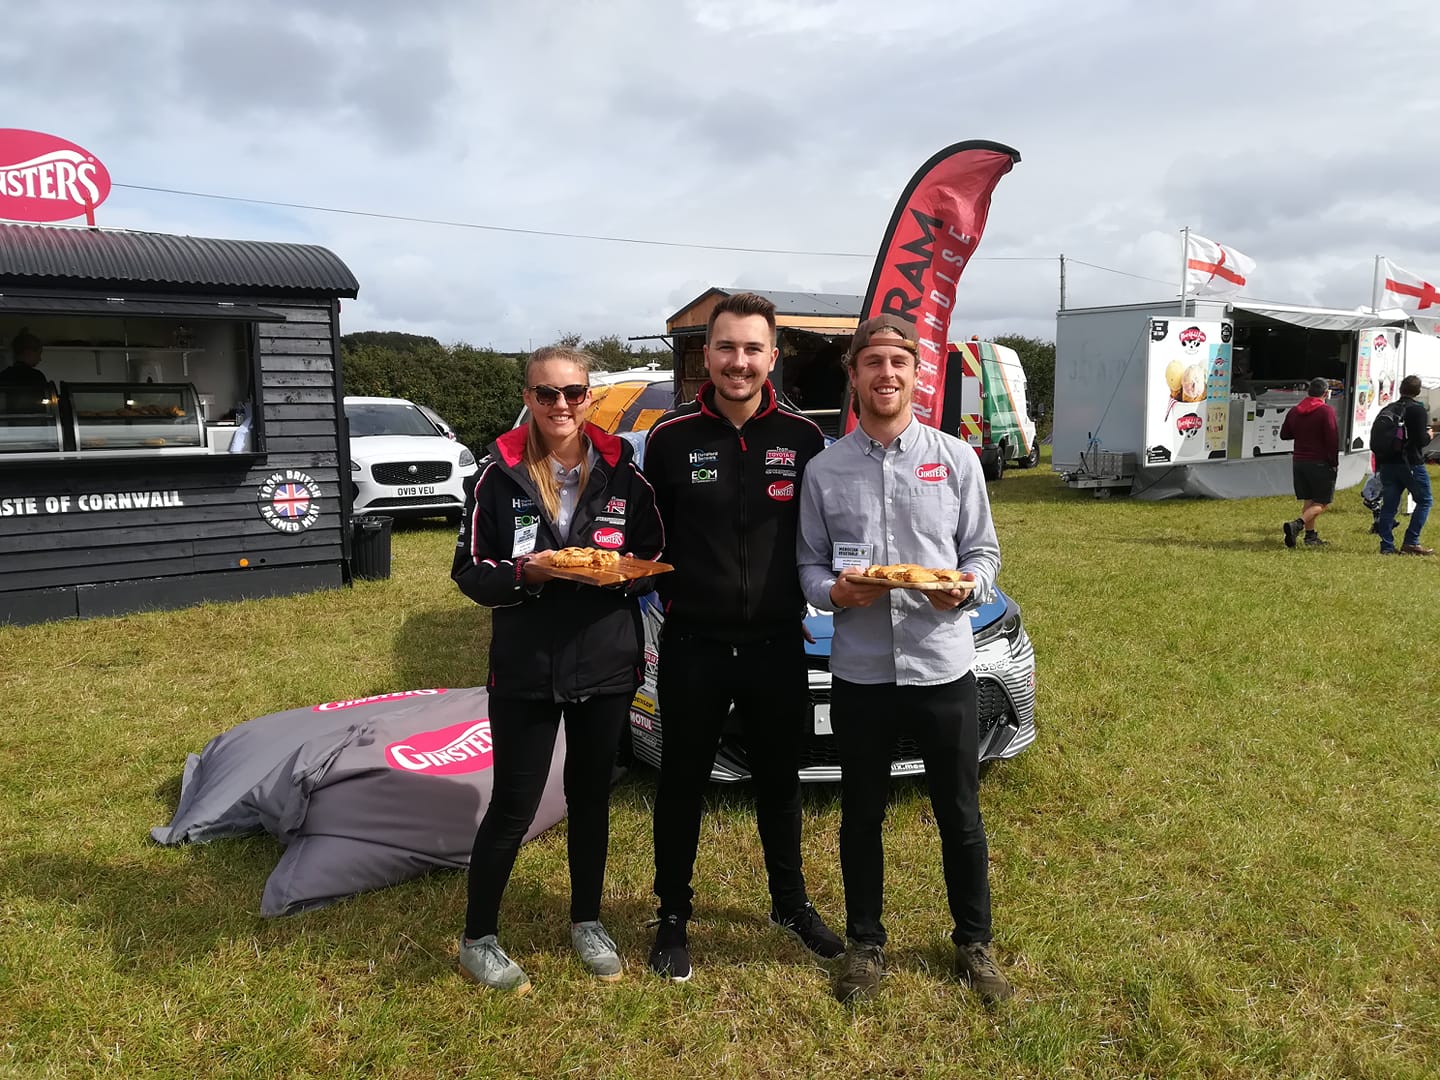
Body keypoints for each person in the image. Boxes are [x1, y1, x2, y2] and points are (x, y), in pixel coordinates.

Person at [796, 313, 1012, 1005]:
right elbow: (808, 564)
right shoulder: (825, 470)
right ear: (853, 375)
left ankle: (974, 944)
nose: (885, 374)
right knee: (862, 814)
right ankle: (865, 944)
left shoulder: (955, 459)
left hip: (942, 665)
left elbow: (983, 552)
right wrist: (833, 592)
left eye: (898, 362)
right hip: (861, 672)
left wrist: (967, 587)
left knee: (959, 812)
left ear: (917, 376)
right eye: (872, 362)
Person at [642, 291, 843, 981]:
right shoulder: (668, 439)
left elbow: (828, 534)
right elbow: (644, 536)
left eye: (753, 348)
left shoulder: (804, 439)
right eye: (726, 347)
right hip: (693, 643)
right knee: (682, 782)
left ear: (772, 356)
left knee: (780, 782)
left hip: (777, 644)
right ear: (707, 355)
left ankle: (789, 904)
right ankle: (672, 914)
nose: (739, 361)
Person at [451, 345, 664, 992]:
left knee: (591, 798)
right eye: (547, 393)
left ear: (590, 397)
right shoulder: (497, 476)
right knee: (514, 804)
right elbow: (470, 572)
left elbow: (653, 553)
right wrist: (529, 572)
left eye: (573, 392)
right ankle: (478, 938)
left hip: (605, 660)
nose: (561, 405)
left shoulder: (625, 472)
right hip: (527, 665)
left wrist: (621, 575)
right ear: (529, 398)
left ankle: (587, 922)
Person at [1375, 374, 1434, 556]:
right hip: (1410, 463)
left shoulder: (1388, 409)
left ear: (1400, 389)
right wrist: (1429, 435)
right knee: (1425, 501)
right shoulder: (1417, 410)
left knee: (1389, 505)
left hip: (1387, 462)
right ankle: (1411, 541)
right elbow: (1420, 440)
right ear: (1418, 391)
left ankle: (1386, 545)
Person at [1279, 377, 1339, 548]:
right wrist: (1333, 462)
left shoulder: (1295, 411)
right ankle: (1297, 525)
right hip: (1320, 461)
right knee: (1323, 502)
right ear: (1326, 393)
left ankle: (1310, 536)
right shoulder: (1326, 411)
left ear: (1308, 392)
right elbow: (1332, 438)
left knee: (1309, 499)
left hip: (1299, 461)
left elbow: (1284, 434)